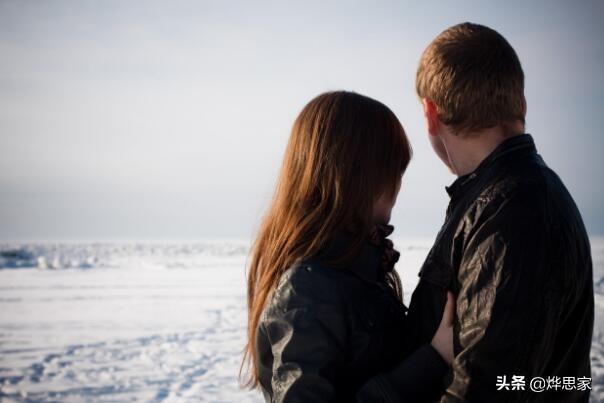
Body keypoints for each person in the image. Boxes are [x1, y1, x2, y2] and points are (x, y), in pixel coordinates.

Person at [402, 22, 594, 402]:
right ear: (521, 103)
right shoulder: (507, 197)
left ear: (430, 113)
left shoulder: (510, 214)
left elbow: (484, 390)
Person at [239, 90, 456, 402]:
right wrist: (432, 360)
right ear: (357, 174)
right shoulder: (307, 288)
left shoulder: (357, 268)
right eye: (393, 169)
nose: (398, 185)